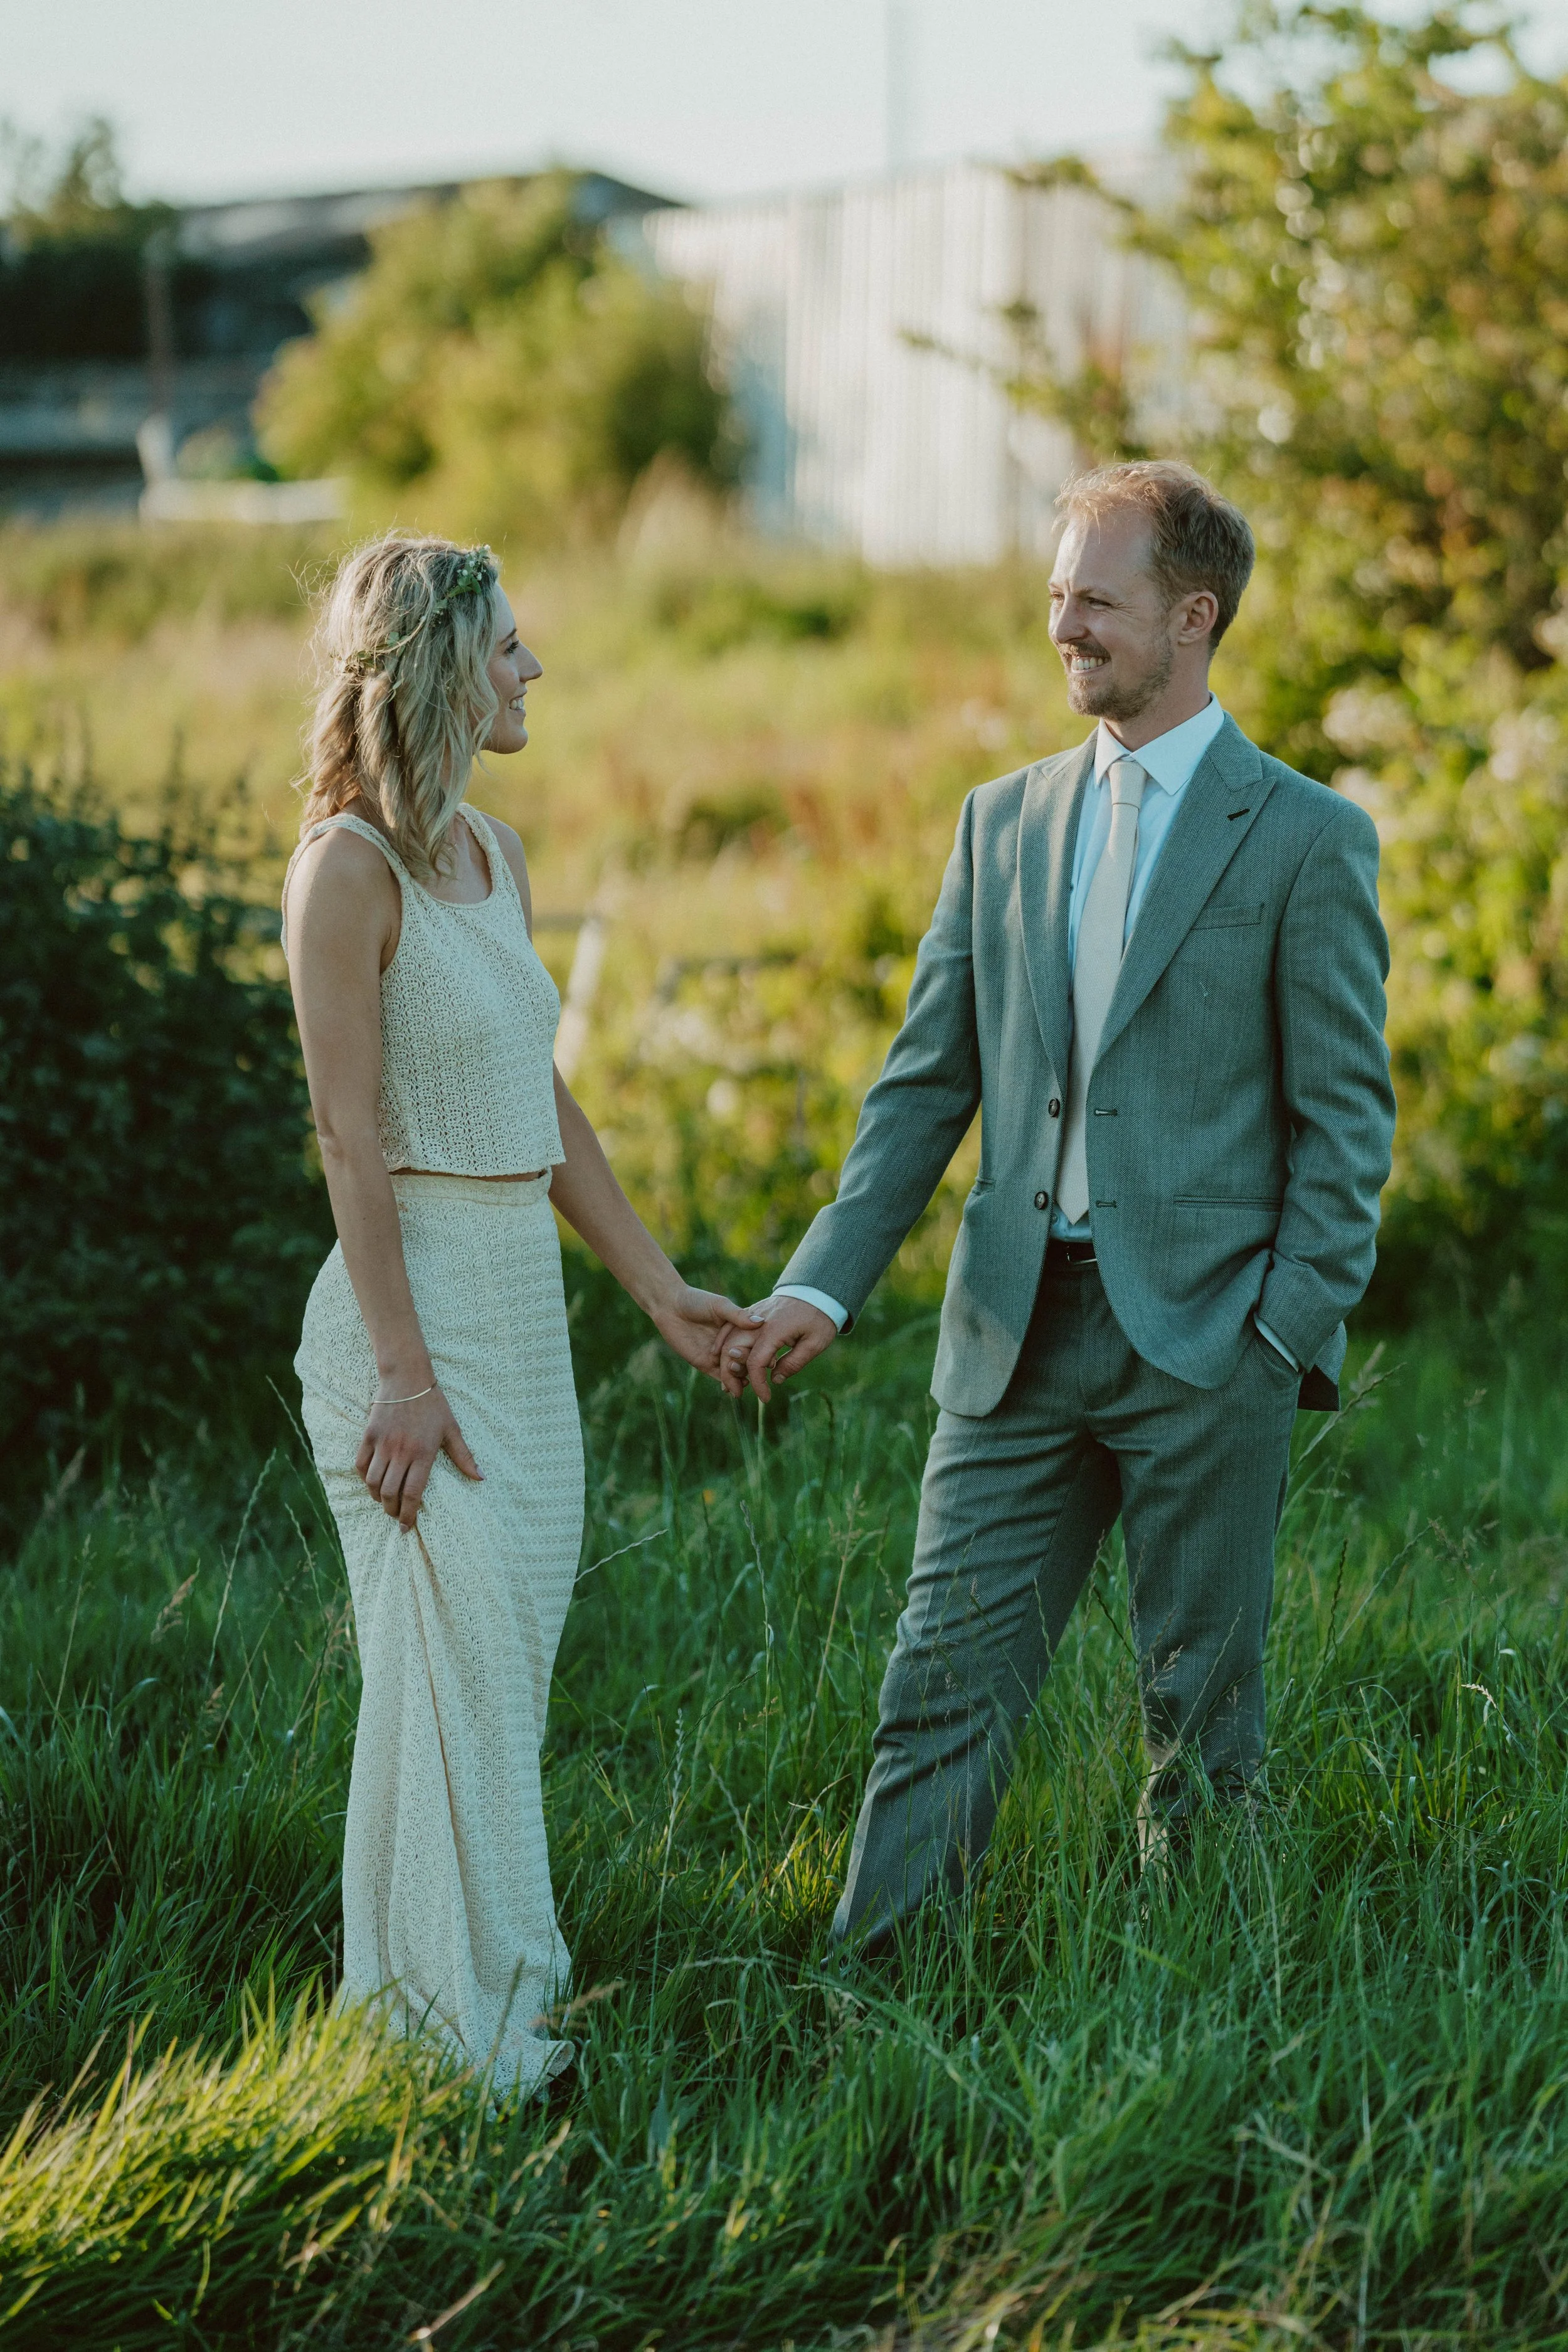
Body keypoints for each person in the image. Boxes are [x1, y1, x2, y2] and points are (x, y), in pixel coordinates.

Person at [719, 461, 1396, 1947]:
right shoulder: (999, 823)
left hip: (1208, 1345)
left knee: (1199, 1730)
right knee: (933, 1691)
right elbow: (920, 1090)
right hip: (1008, 1336)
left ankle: (1190, 2027)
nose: (1062, 628)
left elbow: (1344, 1132)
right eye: (1053, 597)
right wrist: (819, 1285)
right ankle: (872, 1998)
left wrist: (1274, 1338)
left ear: (1191, 616)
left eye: (1095, 599)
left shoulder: (1302, 841)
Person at [282, 532, 756, 2095]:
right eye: (505, 647)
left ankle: (507, 1984)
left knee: (506, 1673)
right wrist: (404, 1381)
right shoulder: (343, 869)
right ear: (432, 667)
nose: (531, 667)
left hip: (520, 1316)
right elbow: (349, 1136)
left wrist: (659, 1288)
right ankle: (429, 2033)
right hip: (401, 1325)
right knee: (436, 1668)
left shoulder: (490, 853)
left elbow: (533, 1094)